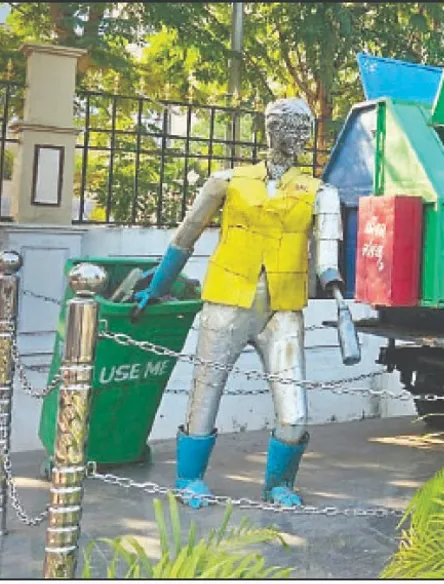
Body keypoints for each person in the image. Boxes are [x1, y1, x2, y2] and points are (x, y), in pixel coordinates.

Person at [132, 98, 347, 508]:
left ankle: (279, 483)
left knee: (295, 412)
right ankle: (189, 478)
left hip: (282, 309)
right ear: (272, 130)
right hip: (227, 301)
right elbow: (185, 237)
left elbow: (326, 257)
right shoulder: (227, 181)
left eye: (306, 128)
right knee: (205, 395)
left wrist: (334, 287)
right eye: (293, 127)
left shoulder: (321, 193)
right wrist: (158, 286)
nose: (301, 136)